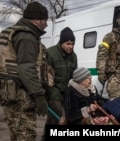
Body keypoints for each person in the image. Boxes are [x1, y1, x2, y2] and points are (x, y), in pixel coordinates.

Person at [0, 2, 49, 140]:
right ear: (37, 19)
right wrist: (39, 95)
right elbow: (26, 68)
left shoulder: (10, 32)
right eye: (45, 20)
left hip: (10, 92)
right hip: (21, 94)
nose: (46, 24)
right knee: (25, 135)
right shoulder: (26, 36)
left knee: (17, 133)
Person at [44, 27, 78, 125]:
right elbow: (47, 80)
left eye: (72, 44)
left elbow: (74, 76)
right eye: (68, 44)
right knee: (58, 115)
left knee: (66, 116)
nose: (70, 46)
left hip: (66, 91)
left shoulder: (73, 56)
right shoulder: (50, 53)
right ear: (61, 42)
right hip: (53, 90)